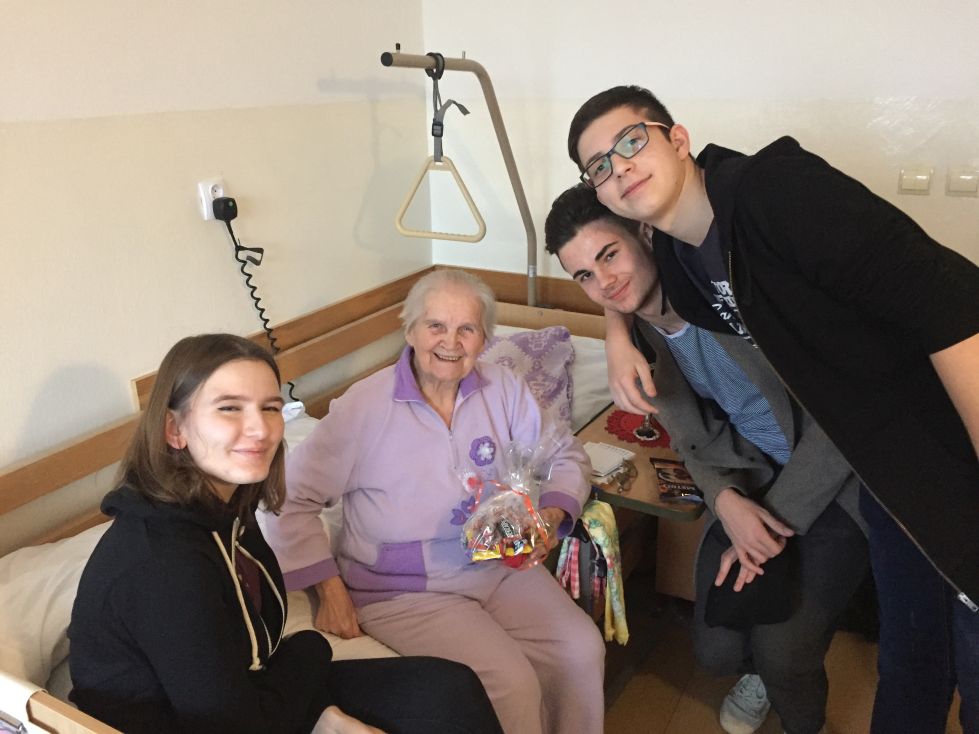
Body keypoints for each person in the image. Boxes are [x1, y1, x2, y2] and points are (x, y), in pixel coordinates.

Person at [566, 85, 979, 734]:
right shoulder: (685, 267)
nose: (618, 167)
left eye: (631, 142)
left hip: (934, 449)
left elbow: (949, 299)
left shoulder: (771, 191)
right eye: (599, 166)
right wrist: (617, 332)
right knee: (912, 661)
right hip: (885, 473)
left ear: (679, 140)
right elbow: (618, 277)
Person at [545, 184, 868, 734]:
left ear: (645, 234)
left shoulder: (728, 294)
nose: (605, 282)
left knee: (785, 652)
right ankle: (760, 671)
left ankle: (800, 715)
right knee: (715, 650)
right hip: (751, 477)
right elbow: (690, 439)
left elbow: (843, 422)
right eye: (585, 275)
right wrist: (725, 500)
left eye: (610, 255)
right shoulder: (642, 340)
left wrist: (763, 530)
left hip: (834, 480)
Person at [68, 333, 501, 734]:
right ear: (174, 429)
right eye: (230, 408)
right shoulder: (164, 566)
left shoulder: (229, 506)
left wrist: (321, 711)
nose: (260, 429)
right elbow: (235, 726)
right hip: (199, 724)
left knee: (448, 688)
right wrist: (312, 648)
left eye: (270, 408)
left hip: (247, 691)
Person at [262, 269, 606, 734]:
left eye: (467, 328)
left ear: (484, 338)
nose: (451, 342)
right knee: (510, 681)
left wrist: (550, 513)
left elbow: (565, 454)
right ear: (410, 331)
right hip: (404, 588)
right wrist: (329, 588)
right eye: (436, 326)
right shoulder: (363, 407)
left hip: (497, 565)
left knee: (581, 647)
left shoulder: (504, 389)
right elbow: (288, 497)